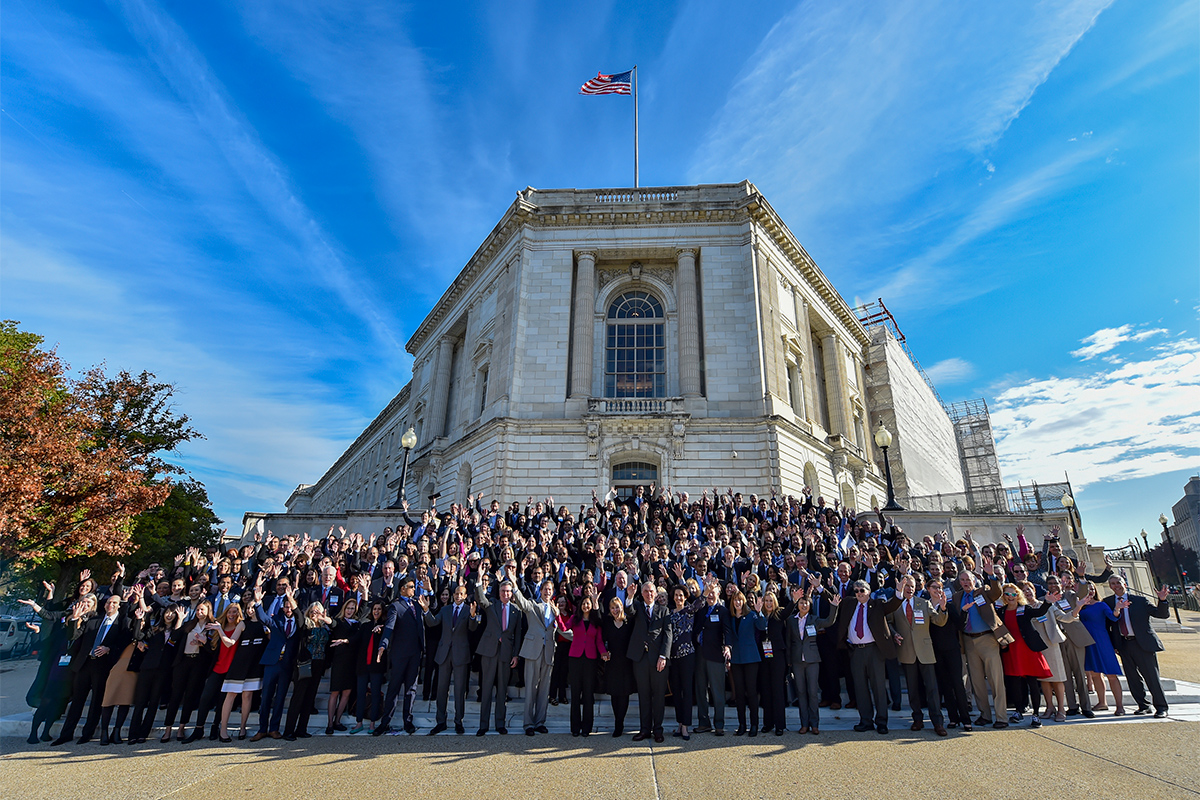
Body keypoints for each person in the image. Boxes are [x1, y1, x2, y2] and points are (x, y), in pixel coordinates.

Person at [52, 593, 134, 745]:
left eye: (115, 603)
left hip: (103, 666)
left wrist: (109, 648)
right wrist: (75, 619)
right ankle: (66, 734)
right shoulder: (93, 620)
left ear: (119, 606)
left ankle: (87, 734)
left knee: (97, 701)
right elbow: (74, 636)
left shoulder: (122, 623)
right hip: (85, 663)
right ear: (104, 604)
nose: (111, 605)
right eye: (109, 602)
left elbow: (123, 642)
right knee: (77, 700)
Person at [836, 580, 902, 735]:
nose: (859, 593)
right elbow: (832, 598)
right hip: (856, 651)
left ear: (869, 591)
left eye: (862, 590)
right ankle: (865, 721)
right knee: (860, 687)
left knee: (878, 687)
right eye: (857, 590)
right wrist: (819, 586)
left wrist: (899, 593)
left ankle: (881, 722)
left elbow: (892, 606)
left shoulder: (877, 604)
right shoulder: (849, 603)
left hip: (874, 651)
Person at [888, 575, 947, 735]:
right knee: (912, 689)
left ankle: (938, 722)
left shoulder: (924, 603)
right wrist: (894, 634)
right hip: (907, 651)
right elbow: (888, 622)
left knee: (932, 689)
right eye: (906, 586)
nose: (909, 589)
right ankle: (917, 719)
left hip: (925, 652)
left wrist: (942, 608)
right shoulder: (895, 604)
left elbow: (939, 621)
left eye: (912, 586)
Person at [1104, 576, 1171, 718]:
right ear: (1110, 586)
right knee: (1133, 678)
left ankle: (1161, 707)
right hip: (1124, 645)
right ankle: (1143, 705)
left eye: (1118, 583)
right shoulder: (1108, 603)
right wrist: (1114, 645)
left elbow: (1161, 614)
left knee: (1151, 677)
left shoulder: (1140, 601)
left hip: (1143, 644)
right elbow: (1108, 626)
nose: (1116, 586)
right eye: (1113, 584)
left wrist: (1162, 600)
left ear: (1125, 584)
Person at [511, 574, 569, 736]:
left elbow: (564, 630)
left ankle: (540, 722)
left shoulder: (555, 610)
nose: (547, 592)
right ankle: (528, 723)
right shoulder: (533, 605)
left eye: (550, 590)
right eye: (545, 589)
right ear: (541, 591)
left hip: (548, 652)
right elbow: (521, 603)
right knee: (531, 688)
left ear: (553, 592)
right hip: (533, 650)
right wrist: (514, 583)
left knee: (544, 690)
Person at [951, 566, 1009, 728]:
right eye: (962, 580)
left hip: (987, 639)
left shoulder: (984, 591)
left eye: (968, 579)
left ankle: (1001, 717)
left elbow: (997, 593)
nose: (965, 583)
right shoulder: (957, 597)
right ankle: (985, 715)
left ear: (974, 580)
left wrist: (991, 575)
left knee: (995, 679)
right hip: (968, 641)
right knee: (976, 681)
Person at [422, 583, 479, 735]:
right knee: (441, 690)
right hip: (444, 654)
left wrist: (473, 616)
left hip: (461, 654)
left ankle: (458, 721)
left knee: (460, 690)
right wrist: (426, 610)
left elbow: (473, 628)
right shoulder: (445, 609)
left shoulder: (469, 610)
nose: (458, 596)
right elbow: (433, 622)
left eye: (461, 594)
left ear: (465, 596)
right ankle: (441, 721)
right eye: (456, 593)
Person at [159, 599, 217, 743]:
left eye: (202, 610)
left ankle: (181, 728)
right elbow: (174, 637)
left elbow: (213, 651)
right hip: (182, 662)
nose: (199, 612)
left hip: (198, 664)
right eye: (198, 610)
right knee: (176, 695)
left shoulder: (212, 628)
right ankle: (167, 729)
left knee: (190, 696)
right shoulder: (189, 624)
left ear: (208, 611)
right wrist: (180, 620)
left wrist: (204, 642)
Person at [374, 577, 425, 736]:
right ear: (402, 588)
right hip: (400, 653)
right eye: (410, 587)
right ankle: (385, 722)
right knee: (394, 688)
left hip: (415, 653)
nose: (413, 590)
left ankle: (407, 721)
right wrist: (383, 644)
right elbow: (389, 627)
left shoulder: (417, 604)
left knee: (411, 689)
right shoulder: (396, 606)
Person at [784, 585, 838, 735]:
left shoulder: (815, 620)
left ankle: (815, 724)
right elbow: (788, 642)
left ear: (810, 605)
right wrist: (789, 661)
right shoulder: (791, 621)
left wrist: (834, 607)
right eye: (801, 602)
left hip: (813, 660)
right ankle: (804, 724)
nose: (804, 605)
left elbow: (829, 621)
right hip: (797, 661)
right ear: (798, 605)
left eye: (806, 603)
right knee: (801, 692)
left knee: (813, 692)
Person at [998, 582, 1051, 727]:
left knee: (1032, 683)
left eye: (1013, 594)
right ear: (1004, 596)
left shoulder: (1024, 609)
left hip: (1027, 650)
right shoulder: (1001, 611)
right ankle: (1018, 711)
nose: (1011, 597)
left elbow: (1039, 612)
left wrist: (1047, 602)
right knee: (1015, 683)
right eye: (1007, 594)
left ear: (1018, 595)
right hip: (1011, 651)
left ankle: (1035, 715)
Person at [474, 577, 521, 736]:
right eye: (503, 591)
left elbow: (518, 635)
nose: (505, 594)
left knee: (502, 690)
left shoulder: (516, 610)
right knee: (486, 689)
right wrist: (479, 580)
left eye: (508, 591)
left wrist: (516, 655)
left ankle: (500, 724)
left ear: (511, 593)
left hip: (506, 654)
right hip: (489, 652)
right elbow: (481, 599)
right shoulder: (492, 604)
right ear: (499, 592)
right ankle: (483, 725)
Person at [220, 589, 269, 740]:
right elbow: (231, 642)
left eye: (253, 608)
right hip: (240, 663)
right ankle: (223, 730)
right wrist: (219, 630)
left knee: (247, 696)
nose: (250, 610)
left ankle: (242, 728)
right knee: (231, 695)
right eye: (248, 608)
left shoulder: (265, 624)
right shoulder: (242, 623)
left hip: (255, 664)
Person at [629, 580, 673, 743]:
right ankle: (644, 729)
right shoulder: (637, 607)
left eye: (651, 591)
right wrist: (630, 597)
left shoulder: (664, 610)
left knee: (659, 696)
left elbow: (668, 635)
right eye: (646, 591)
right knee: (644, 695)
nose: (649, 594)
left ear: (656, 593)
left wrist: (663, 656)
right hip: (640, 659)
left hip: (658, 660)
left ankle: (658, 730)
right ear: (642, 593)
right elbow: (629, 611)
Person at [1077, 581, 1125, 715]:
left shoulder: (1101, 605)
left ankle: (1120, 706)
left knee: (1111, 675)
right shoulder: (1080, 606)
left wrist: (1117, 609)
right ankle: (1102, 702)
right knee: (1095, 674)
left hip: (1101, 641)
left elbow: (1113, 617)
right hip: (1087, 642)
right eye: (1087, 589)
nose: (1090, 591)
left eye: (1092, 589)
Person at [724, 590, 766, 737]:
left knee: (752, 692)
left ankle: (754, 725)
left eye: (740, 600)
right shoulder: (730, 618)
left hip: (751, 658)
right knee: (739, 693)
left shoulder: (752, 615)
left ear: (744, 602)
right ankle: (742, 724)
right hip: (736, 659)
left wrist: (760, 612)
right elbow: (728, 636)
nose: (737, 603)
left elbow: (762, 626)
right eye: (735, 600)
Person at [691, 582, 730, 736]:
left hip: (715, 655)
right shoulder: (701, 610)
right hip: (700, 655)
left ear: (718, 594)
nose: (711, 595)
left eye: (713, 592)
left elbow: (727, 631)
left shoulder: (723, 611)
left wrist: (728, 647)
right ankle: (703, 722)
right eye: (709, 592)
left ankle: (719, 724)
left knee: (717, 691)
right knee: (701, 690)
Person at [566, 592, 607, 737]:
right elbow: (564, 627)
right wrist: (556, 614)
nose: (585, 606)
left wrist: (603, 653)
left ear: (591, 606)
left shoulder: (596, 622)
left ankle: (586, 728)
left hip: (590, 659)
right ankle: (575, 728)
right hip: (575, 658)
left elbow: (599, 642)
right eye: (583, 603)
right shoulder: (574, 619)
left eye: (588, 603)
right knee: (576, 694)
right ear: (580, 606)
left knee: (588, 694)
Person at [325, 595, 361, 734]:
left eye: (352, 608)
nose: (350, 611)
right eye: (348, 608)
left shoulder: (356, 624)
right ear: (344, 608)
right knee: (335, 692)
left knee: (346, 692)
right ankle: (329, 723)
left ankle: (337, 721)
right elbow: (331, 623)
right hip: (339, 661)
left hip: (351, 661)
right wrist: (325, 619)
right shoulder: (339, 622)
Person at [351, 600, 388, 734]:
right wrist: (345, 641)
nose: (376, 611)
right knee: (360, 694)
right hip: (363, 665)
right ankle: (359, 722)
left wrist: (380, 630)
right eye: (374, 609)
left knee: (375, 695)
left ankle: (373, 723)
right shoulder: (365, 626)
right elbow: (356, 639)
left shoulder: (384, 627)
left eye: (379, 609)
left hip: (376, 666)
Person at [757, 590, 790, 736]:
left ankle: (780, 725)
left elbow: (789, 610)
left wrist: (794, 600)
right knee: (766, 689)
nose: (768, 603)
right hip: (764, 656)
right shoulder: (761, 615)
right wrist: (758, 612)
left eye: (771, 601)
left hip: (777, 655)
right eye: (766, 601)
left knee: (777, 689)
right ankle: (768, 723)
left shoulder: (779, 614)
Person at [601, 596, 634, 737]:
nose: (615, 610)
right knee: (615, 694)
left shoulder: (628, 622)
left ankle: (621, 720)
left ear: (622, 607)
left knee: (624, 694)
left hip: (627, 663)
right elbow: (602, 640)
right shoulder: (607, 623)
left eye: (617, 607)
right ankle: (617, 722)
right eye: (612, 607)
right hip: (613, 662)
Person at [666, 584, 697, 740]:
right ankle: (679, 723)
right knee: (676, 692)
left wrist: (707, 590)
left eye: (681, 595)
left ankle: (686, 726)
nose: (678, 598)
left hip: (687, 655)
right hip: (673, 657)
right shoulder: (669, 614)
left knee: (687, 690)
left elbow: (701, 601)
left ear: (685, 597)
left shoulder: (689, 610)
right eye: (676, 595)